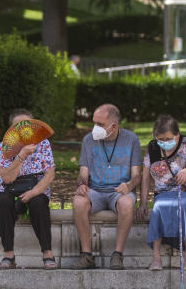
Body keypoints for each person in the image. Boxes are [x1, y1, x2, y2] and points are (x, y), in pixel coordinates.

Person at [70, 103, 142, 270]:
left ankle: (117, 254)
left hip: (119, 191)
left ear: (114, 126)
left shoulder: (131, 139)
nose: (95, 128)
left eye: (100, 124)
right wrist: (81, 185)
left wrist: (129, 186)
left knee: (126, 203)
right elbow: (83, 173)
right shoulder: (88, 140)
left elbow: (137, 175)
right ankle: (87, 255)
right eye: (94, 123)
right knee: (78, 201)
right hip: (95, 191)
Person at [135, 115, 186, 270]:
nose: (164, 142)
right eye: (160, 139)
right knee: (159, 208)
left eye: (168, 139)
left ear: (177, 135)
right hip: (163, 193)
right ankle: (156, 257)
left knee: (184, 205)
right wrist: (143, 203)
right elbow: (145, 178)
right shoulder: (152, 147)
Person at [0, 108, 56, 269]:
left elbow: (50, 175)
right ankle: (9, 255)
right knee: (2, 201)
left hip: (35, 186)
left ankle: (47, 254)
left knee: (38, 203)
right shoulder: (3, 147)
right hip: (10, 188)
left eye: (25, 126)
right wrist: (21, 155)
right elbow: (6, 178)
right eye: (17, 126)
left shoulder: (43, 144)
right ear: (11, 130)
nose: (22, 130)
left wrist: (34, 192)